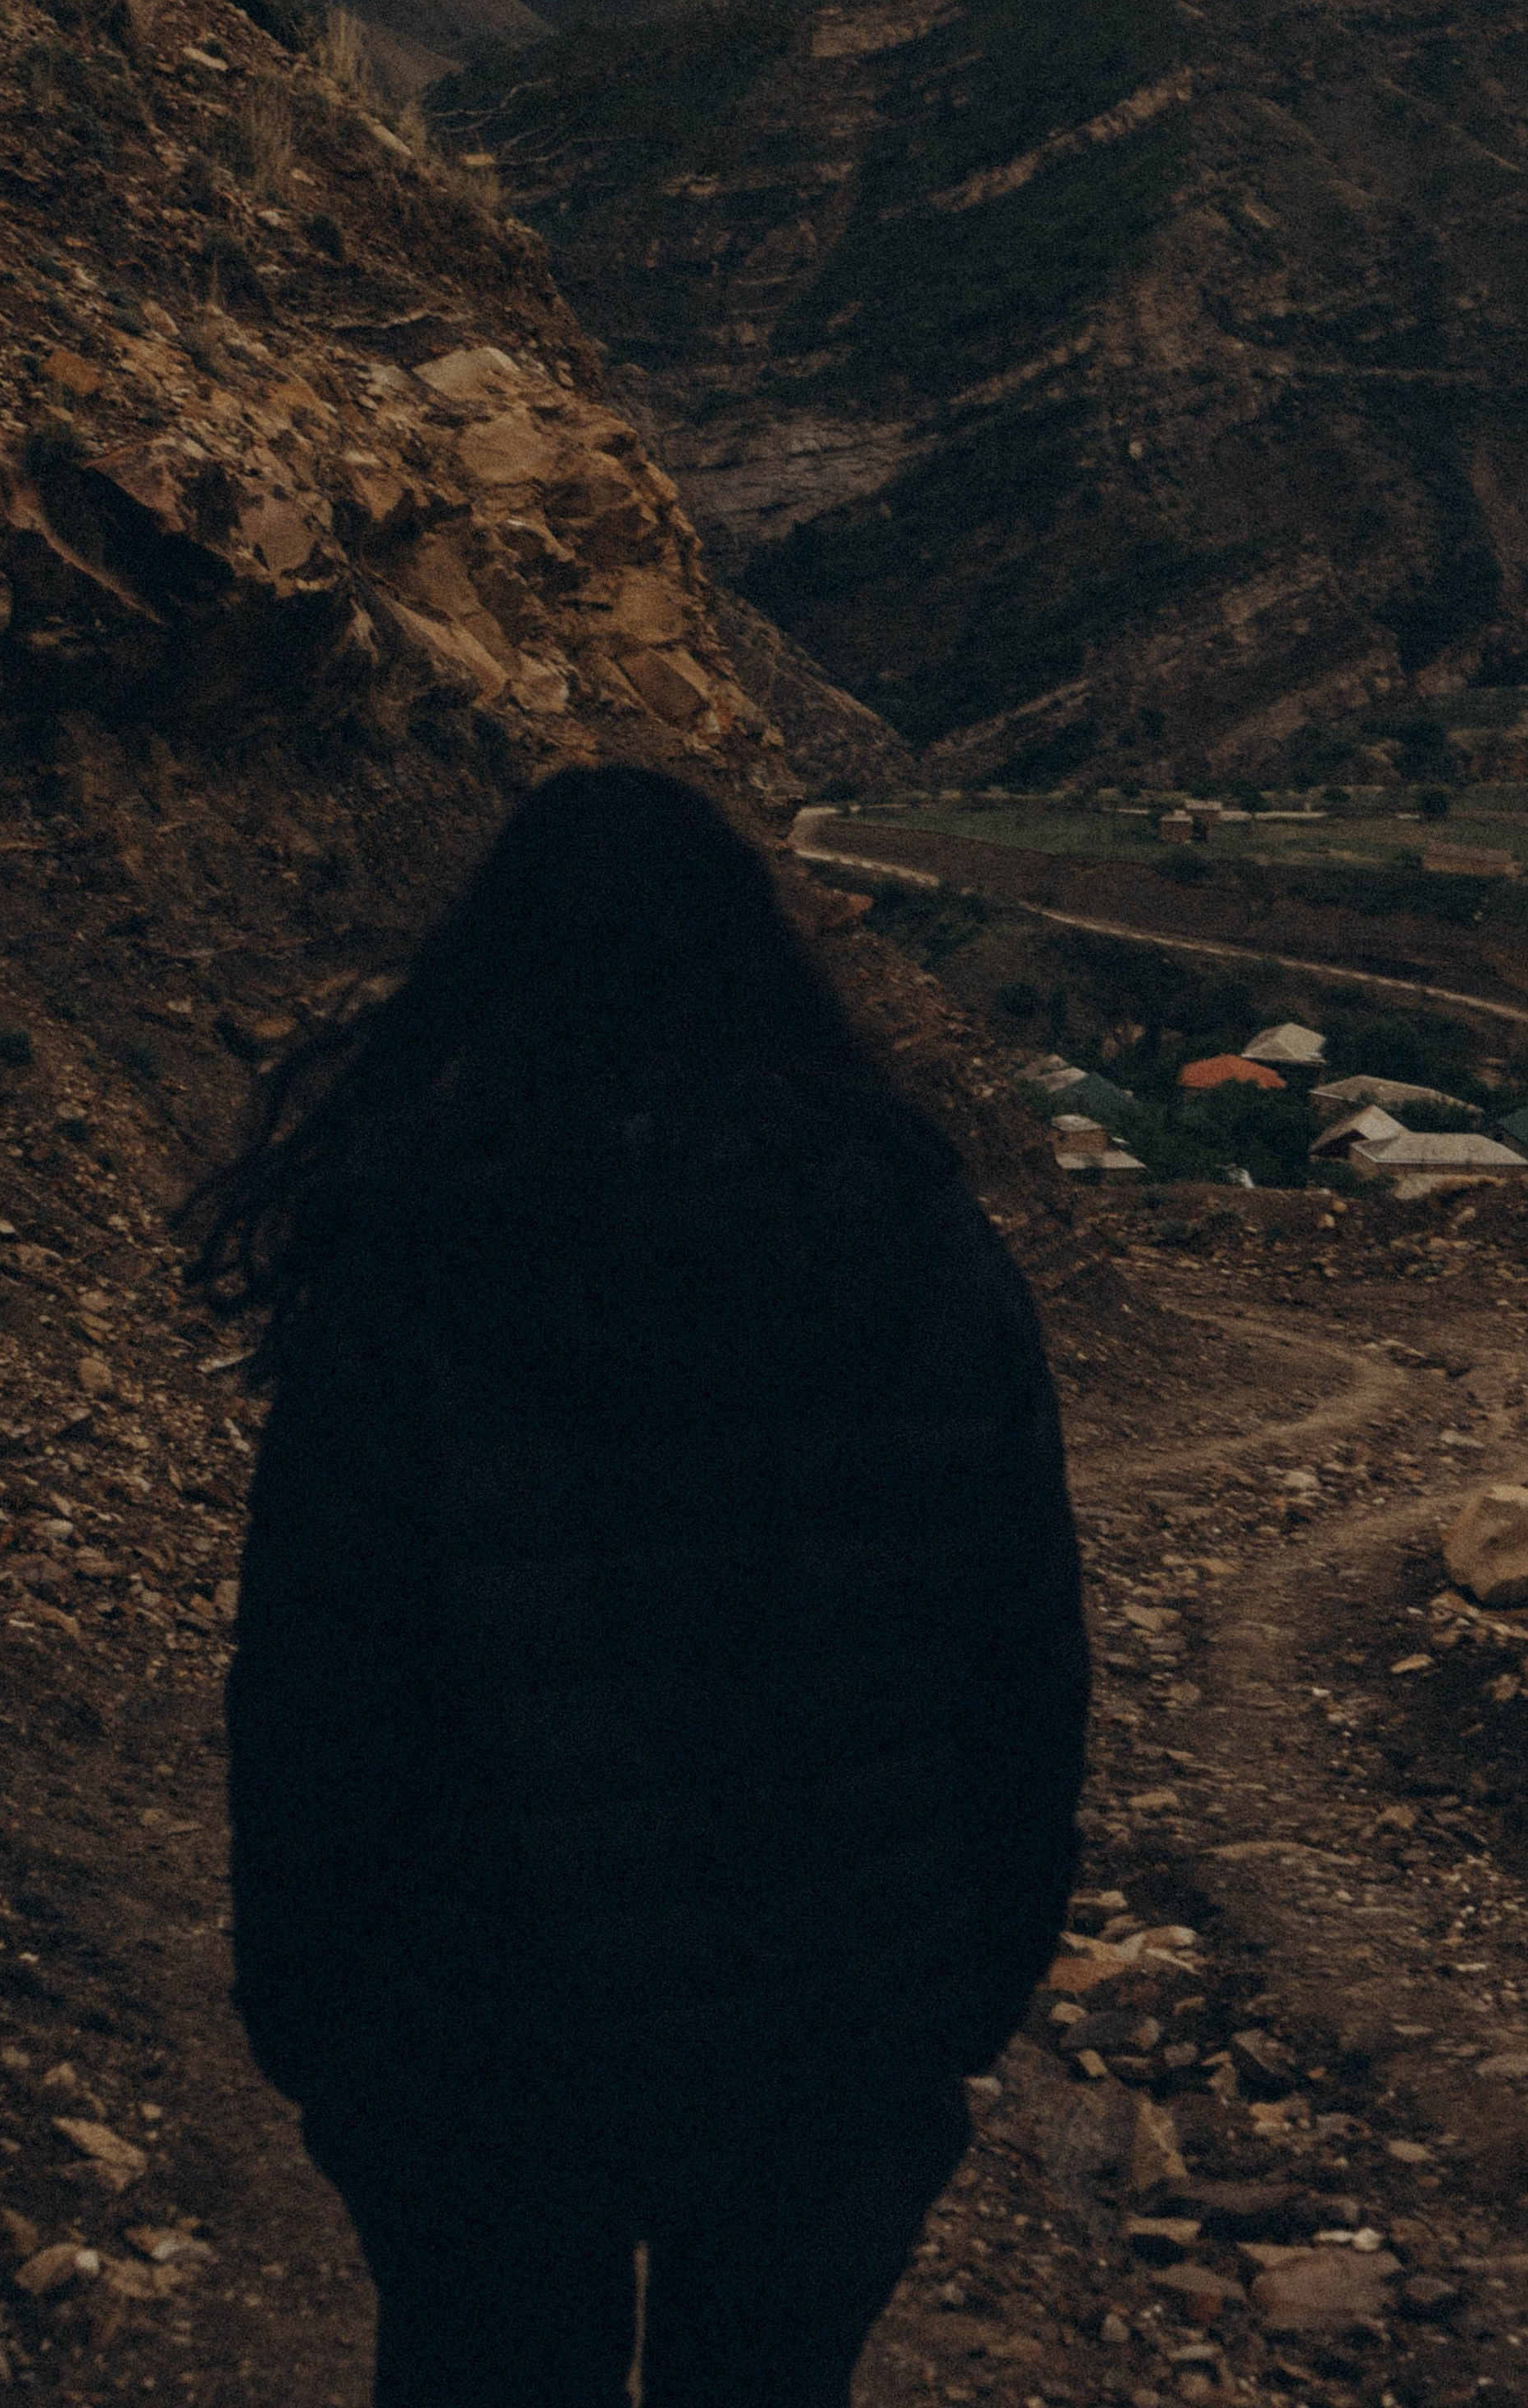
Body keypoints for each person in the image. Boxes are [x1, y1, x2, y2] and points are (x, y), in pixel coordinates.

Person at [186, 764, 1090, 2407]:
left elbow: (319, 1679)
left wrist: (314, 2016)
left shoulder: (416, 1253)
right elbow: (1020, 1659)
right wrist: (968, 1992)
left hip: (482, 2038)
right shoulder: (920, 1242)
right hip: (837, 2034)